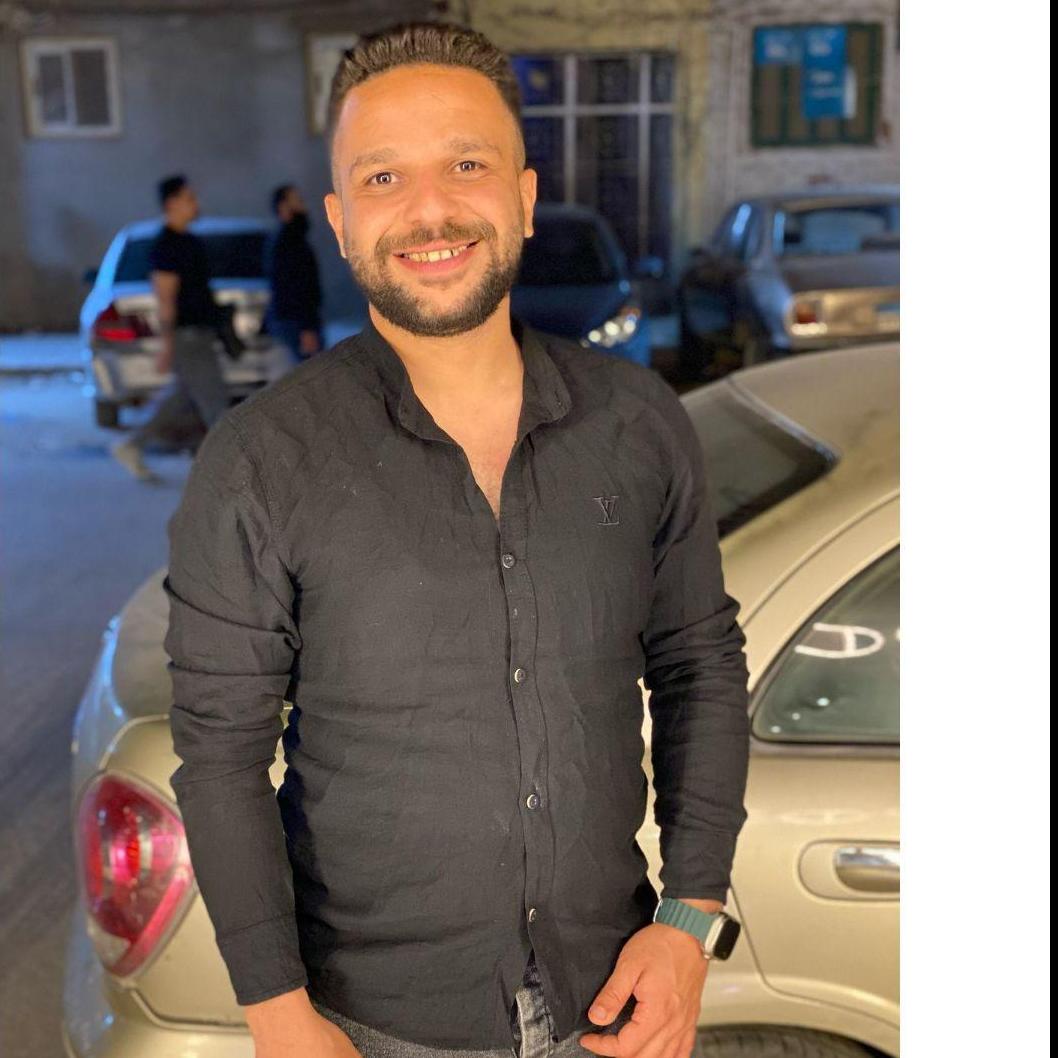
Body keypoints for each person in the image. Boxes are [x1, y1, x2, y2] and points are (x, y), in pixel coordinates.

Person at [165, 23, 749, 1058]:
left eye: (465, 165)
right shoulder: (260, 460)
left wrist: (689, 916)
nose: (429, 210)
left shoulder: (639, 423)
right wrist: (277, 1011)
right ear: (342, 221)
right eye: (384, 176)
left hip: (613, 999)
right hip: (371, 1024)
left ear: (522, 196)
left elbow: (697, 663)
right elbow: (220, 753)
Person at [111, 175, 228, 481]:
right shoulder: (167, 246)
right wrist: (167, 344)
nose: (195, 204)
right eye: (189, 198)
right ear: (172, 203)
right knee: (215, 403)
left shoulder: (189, 242)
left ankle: (132, 443)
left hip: (200, 331)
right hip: (188, 336)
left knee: (181, 397)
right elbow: (165, 298)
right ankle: (228, 472)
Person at [266, 184, 324, 364]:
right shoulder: (289, 242)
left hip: (295, 323)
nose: (303, 205)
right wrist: (306, 328)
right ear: (283, 207)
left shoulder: (292, 239)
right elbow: (295, 287)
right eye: (297, 200)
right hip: (296, 325)